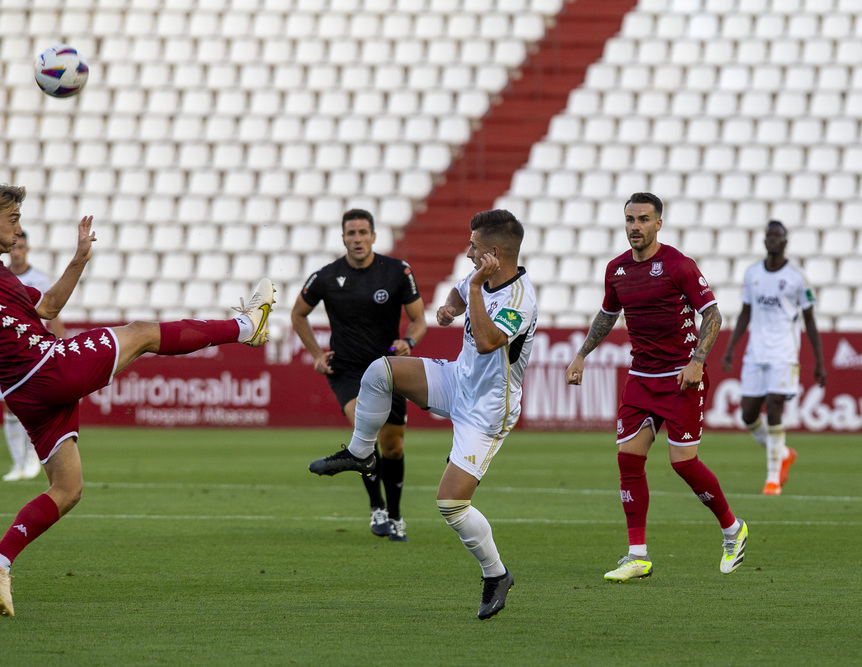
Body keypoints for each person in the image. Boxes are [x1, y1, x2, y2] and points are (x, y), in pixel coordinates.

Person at [0, 180, 275, 617]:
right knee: (141, 334)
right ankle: (246, 328)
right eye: (12, 220)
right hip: (41, 367)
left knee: (68, 489)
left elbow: (47, 307)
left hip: (24, 389)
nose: (18, 227)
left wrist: (79, 259)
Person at [308, 209, 536, 620]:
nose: (468, 253)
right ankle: (362, 454)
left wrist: (477, 291)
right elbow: (458, 294)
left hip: (487, 412)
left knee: (450, 503)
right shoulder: (480, 279)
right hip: (458, 381)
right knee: (380, 370)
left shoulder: (522, 298)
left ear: (495, 254)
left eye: (475, 248)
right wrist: (450, 309)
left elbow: (486, 342)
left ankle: (496, 573)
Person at [565, 192, 747, 583]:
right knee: (628, 460)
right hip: (641, 378)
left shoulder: (678, 265)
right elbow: (606, 315)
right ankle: (637, 555)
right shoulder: (617, 271)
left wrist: (697, 361)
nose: (635, 227)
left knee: (683, 464)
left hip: (681, 378)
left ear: (658, 224)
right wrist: (581, 355)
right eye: (630, 219)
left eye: (644, 219)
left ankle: (733, 529)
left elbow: (712, 313)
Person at [291, 208, 426, 541]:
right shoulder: (325, 276)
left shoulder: (397, 271)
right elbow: (298, 315)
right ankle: (377, 508)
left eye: (363, 232)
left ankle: (394, 516)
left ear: (373, 236)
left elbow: (419, 319)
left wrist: (408, 340)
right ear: (343, 239)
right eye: (351, 233)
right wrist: (317, 355)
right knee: (366, 429)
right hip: (348, 370)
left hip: (390, 368)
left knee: (393, 446)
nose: (357, 239)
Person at [721, 219, 826, 496]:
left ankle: (772, 480)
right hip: (756, 352)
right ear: (765, 240)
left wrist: (819, 361)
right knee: (748, 414)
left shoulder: (796, 276)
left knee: (774, 405)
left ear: (785, 241)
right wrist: (731, 346)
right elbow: (745, 312)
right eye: (769, 235)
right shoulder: (752, 273)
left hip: (784, 353)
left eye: (777, 235)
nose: (772, 239)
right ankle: (783, 453)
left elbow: (810, 320)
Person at [0, 231, 65, 481]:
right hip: (4, 350)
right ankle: (18, 464)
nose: (17, 251)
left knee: (33, 405)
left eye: (21, 247)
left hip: (32, 351)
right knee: (7, 406)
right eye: (14, 247)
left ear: (28, 249)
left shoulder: (38, 279)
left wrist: (60, 345)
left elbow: (53, 313)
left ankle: (33, 458)